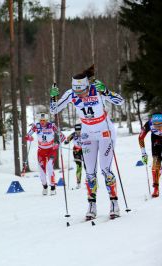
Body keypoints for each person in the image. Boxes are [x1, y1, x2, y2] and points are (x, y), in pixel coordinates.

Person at [50, 65, 124, 220]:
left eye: (82, 91)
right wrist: (53, 97)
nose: (80, 95)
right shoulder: (71, 94)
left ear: (87, 86)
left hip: (105, 132)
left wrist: (106, 91)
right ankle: (92, 205)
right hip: (87, 134)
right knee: (90, 172)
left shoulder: (97, 89)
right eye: (77, 92)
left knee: (105, 169)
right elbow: (53, 110)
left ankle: (114, 203)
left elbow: (120, 101)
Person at [25, 113, 65, 196]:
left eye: (44, 120)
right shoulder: (36, 126)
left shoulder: (52, 126)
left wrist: (57, 143)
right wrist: (29, 137)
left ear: (47, 120)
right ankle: (45, 187)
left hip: (51, 150)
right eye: (41, 120)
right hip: (41, 151)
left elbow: (62, 137)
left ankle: (53, 187)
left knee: (50, 166)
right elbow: (27, 135)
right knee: (42, 171)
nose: (42, 122)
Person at [138, 112, 162, 198]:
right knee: (156, 164)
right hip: (156, 140)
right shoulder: (148, 124)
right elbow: (140, 138)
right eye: (156, 126)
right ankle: (156, 188)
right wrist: (143, 153)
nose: (159, 128)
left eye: (160, 125)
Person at [64, 123, 83, 189]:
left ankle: (90, 182)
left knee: (87, 166)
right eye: (77, 130)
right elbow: (67, 140)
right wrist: (66, 141)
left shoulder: (85, 133)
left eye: (79, 130)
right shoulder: (73, 134)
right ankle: (78, 183)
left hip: (85, 150)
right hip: (76, 151)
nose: (78, 132)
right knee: (79, 166)